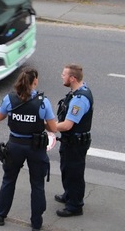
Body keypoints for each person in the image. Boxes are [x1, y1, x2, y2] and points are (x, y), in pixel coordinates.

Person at [0, 68, 57, 230]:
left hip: (14, 146)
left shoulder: (10, 98)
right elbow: (53, 128)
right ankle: (36, 223)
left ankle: (0, 214)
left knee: (9, 180)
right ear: (34, 82)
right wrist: (38, 122)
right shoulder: (43, 102)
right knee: (37, 185)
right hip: (35, 148)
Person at [54, 63, 94, 218]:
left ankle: (75, 206)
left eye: (64, 74)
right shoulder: (79, 89)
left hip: (75, 143)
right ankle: (69, 195)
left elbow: (67, 125)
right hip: (70, 141)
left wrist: (48, 126)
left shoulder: (79, 100)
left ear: (72, 78)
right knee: (66, 169)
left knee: (74, 173)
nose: (61, 76)